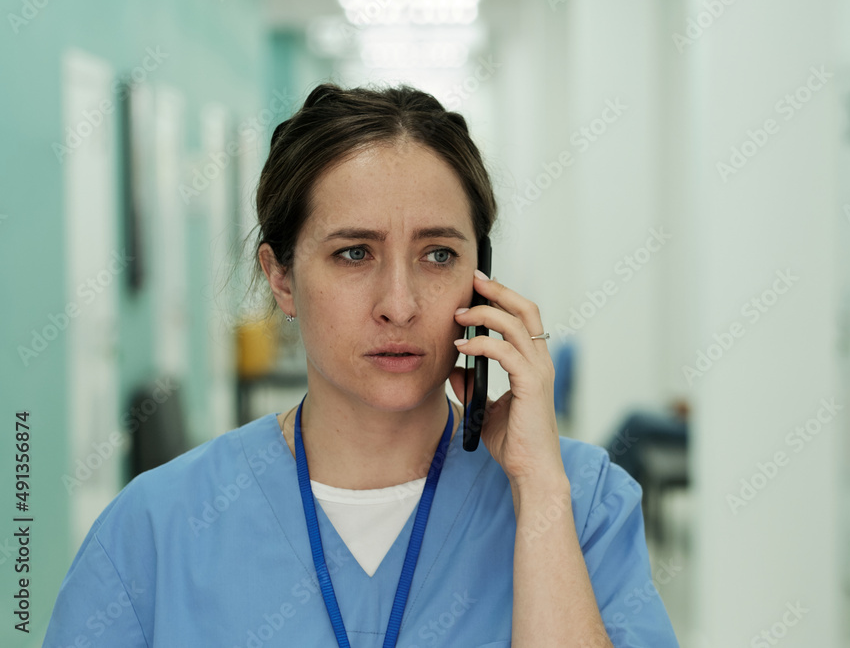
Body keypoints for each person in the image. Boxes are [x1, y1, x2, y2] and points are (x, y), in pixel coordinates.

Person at [42, 82, 680, 647]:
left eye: (438, 255)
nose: (399, 305)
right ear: (282, 278)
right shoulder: (156, 529)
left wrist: (538, 488)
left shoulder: (581, 503)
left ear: (480, 278)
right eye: (354, 253)